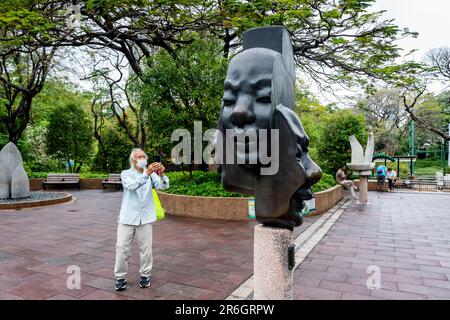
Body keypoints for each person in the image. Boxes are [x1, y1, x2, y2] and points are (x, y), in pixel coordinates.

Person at [114, 148, 169, 291]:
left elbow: (164, 186)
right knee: (121, 248)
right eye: (139, 156)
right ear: (133, 160)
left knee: (146, 249)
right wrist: (147, 173)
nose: (142, 158)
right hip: (127, 218)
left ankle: (145, 275)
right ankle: (120, 277)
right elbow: (131, 186)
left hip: (145, 218)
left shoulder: (151, 175)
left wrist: (161, 174)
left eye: (144, 156)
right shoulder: (126, 174)